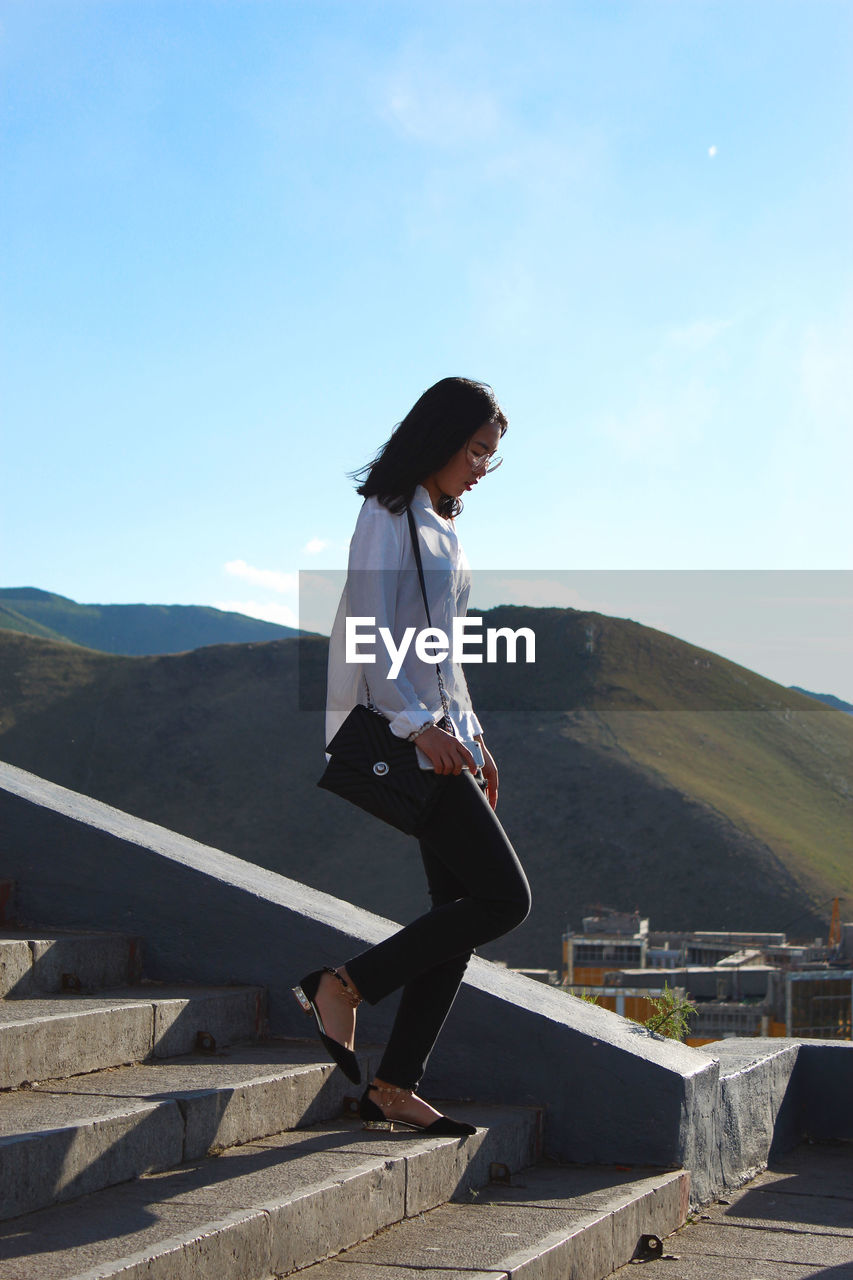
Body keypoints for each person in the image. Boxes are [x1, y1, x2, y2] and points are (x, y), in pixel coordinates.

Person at [295, 376, 531, 1135]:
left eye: (490, 457)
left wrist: (473, 733)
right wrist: (413, 725)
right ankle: (343, 985)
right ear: (438, 437)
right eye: (473, 450)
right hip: (400, 733)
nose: (481, 468)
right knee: (503, 899)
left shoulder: (442, 523)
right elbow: (368, 628)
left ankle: (392, 1088)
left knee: (456, 915)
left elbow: (442, 651)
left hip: (440, 735)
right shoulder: (386, 514)